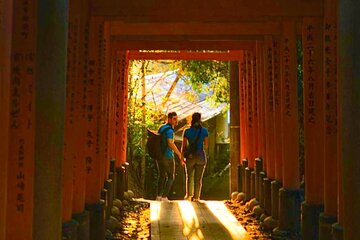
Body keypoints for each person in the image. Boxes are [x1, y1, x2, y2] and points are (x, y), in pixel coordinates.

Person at [156, 112, 185, 201]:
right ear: (169, 119)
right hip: (168, 156)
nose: (176, 121)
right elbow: (170, 143)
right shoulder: (170, 131)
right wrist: (179, 154)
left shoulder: (161, 128)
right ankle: (164, 196)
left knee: (161, 176)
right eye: (174, 119)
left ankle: (158, 196)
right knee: (171, 177)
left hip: (160, 156)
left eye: (177, 119)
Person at [181, 112, 209, 202]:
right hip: (200, 155)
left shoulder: (187, 131)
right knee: (198, 178)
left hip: (190, 156)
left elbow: (184, 146)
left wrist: (182, 157)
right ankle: (196, 197)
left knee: (189, 177)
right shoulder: (204, 131)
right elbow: (206, 145)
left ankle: (189, 195)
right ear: (200, 119)